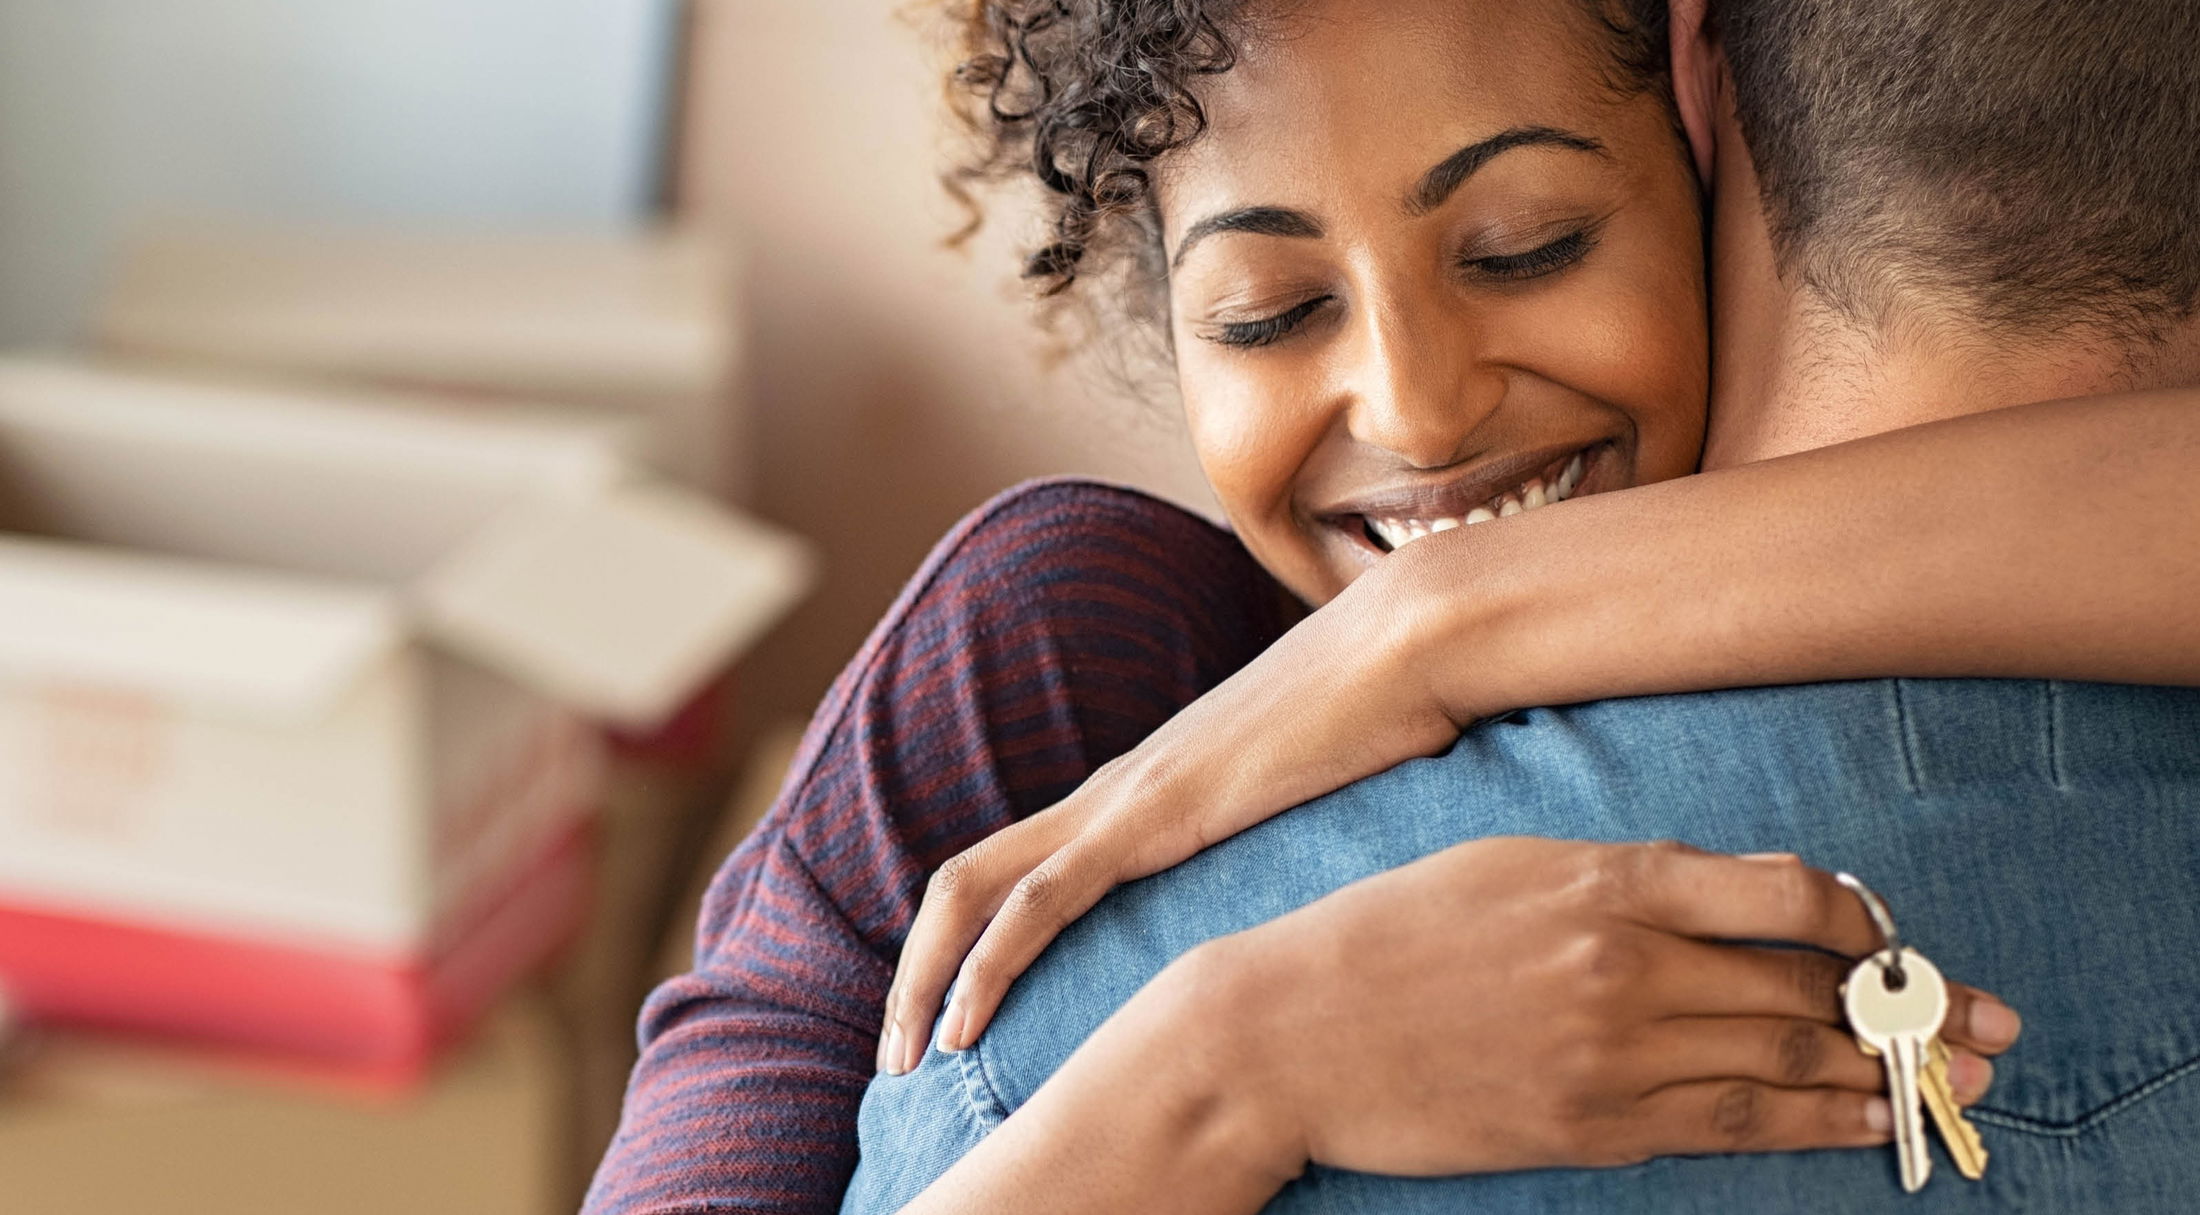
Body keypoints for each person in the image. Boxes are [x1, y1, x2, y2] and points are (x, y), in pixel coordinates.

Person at [583, 0, 2200, 1210]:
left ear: (1711, 146)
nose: (1420, 415)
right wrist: (1230, 1066)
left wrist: (1442, 620)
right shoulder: (1057, 656)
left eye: (1527, 245)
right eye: (1271, 311)